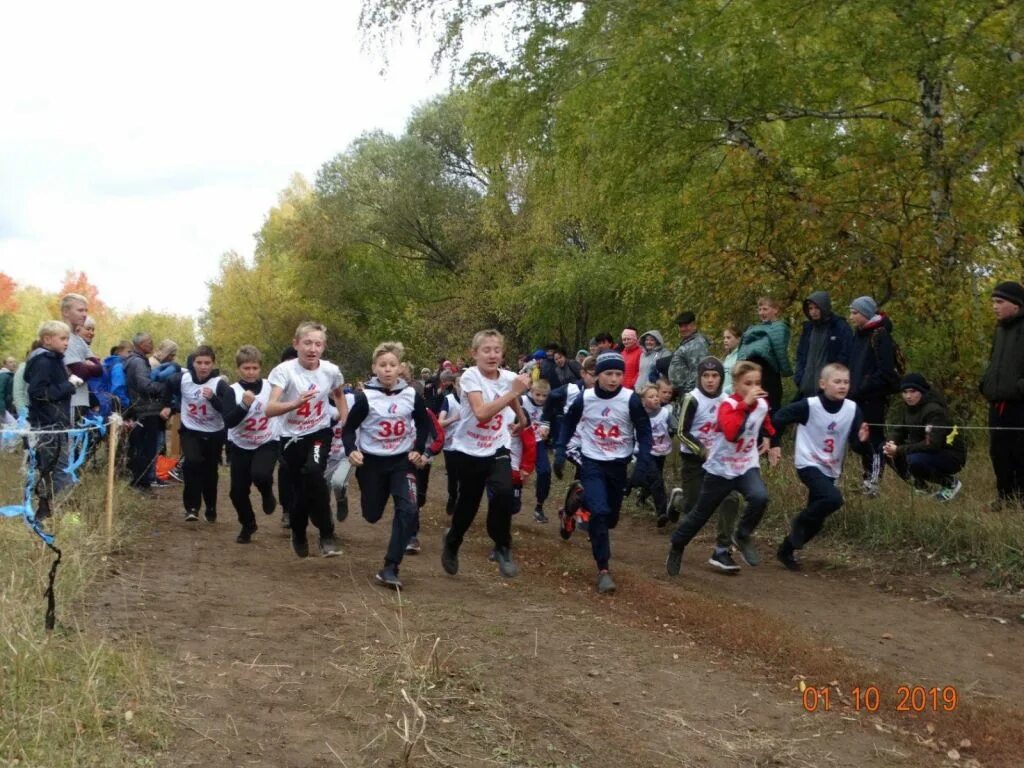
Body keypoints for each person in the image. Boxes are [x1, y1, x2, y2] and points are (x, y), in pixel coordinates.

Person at [666, 361, 778, 577]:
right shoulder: (727, 405)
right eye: (748, 383)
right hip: (719, 467)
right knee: (698, 513)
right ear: (736, 384)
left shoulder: (761, 403)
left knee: (759, 497)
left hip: (745, 465)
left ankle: (740, 536)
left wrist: (772, 440)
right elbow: (731, 433)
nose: (754, 388)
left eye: (757, 383)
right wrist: (745, 404)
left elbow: (767, 422)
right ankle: (677, 545)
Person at [555, 352, 653, 594]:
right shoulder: (584, 399)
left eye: (619, 374)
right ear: (597, 375)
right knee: (599, 513)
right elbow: (568, 423)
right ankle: (603, 570)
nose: (613, 379)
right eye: (608, 374)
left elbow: (644, 431)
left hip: (618, 464)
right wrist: (559, 450)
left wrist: (642, 464)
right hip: (592, 462)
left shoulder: (630, 400)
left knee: (610, 519)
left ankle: (574, 504)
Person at [440, 329, 530, 580]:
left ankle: (502, 547)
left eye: (497, 350)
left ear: (503, 353)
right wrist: (514, 392)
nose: (492, 355)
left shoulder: (509, 377)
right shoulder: (470, 376)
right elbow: (481, 413)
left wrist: (521, 419)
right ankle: (452, 541)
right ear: (474, 353)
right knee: (468, 504)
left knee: (503, 492)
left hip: (497, 446)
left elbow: (511, 397)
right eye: (486, 350)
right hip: (468, 449)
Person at [343, 342, 432, 589]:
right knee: (372, 514)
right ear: (374, 368)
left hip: (402, 462)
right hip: (371, 463)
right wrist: (351, 450)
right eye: (383, 365)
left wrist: (418, 449)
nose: (388, 370)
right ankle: (364, 500)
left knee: (409, 509)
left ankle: (391, 566)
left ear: (400, 368)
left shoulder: (412, 394)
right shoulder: (364, 397)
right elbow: (348, 429)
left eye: (392, 365)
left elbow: (424, 424)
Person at [771, 363, 870, 570]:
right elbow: (778, 418)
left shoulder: (853, 409)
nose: (842, 386)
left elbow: (856, 445)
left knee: (817, 522)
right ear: (823, 384)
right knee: (833, 499)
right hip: (808, 462)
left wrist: (862, 440)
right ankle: (799, 521)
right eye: (837, 381)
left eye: (846, 382)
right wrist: (775, 443)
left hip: (831, 467)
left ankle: (786, 550)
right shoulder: (810, 405)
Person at [266, 322, 347, 558]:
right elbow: (269, 409)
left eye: (318, 344)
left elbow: (339, 395)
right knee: (299, 489)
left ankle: (326, 534)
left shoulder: (331, 371)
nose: (313, 348)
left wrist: (344, 419)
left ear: (324, 347)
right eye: (307, 343)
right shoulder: (284, 371)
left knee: (313, 473)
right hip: (290, 437)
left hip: (318, 433)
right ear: (296, 344)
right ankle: (299, 532)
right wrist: (295, 403)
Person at [665, 357, 742, 571]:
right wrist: (702, 450)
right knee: (694, 508)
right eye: (705, 376)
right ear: (699, 378)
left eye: (715, 376)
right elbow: (681, 431)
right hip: (694, 459)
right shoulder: (692, 399)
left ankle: (722, 551)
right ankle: (678, 500)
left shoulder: (727, 401)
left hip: (719, 461)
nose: (710, 380)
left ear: (721, 378)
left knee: (730, 498)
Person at [165, 346, 234, 523]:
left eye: (207, 363)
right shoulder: (182, 379)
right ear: (193, 363)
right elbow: (167, 386)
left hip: (214, 432)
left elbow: (228, 410)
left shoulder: (220, 384)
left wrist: (213, 398)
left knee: (210, 471)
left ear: (213, 364)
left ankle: (210, 506)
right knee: (192, 463)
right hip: (191, 429)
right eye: (199, 363)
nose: (203, 367)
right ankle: (192, 508)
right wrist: (168, 406)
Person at [223, 346, 280, 543]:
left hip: (267, 439)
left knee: (261, 475)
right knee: (237, 492)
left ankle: (267, 493)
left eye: (254, 368)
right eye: (246, 368)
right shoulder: (232, 391)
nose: (250, 372)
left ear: (260, 368)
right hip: (241, 444)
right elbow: (228, 421)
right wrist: (244, 406)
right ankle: (248, 524)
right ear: (239, 368)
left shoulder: (270, 387)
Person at [25, 321, 82, 519]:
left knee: (52, 467)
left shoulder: (54, 359)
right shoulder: (44, 361)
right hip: (49, 424)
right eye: (63, 338)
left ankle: (49, 509)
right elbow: (37, 393)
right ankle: (64, 513)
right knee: (58, 468)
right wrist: (68, 385)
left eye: (68, 338)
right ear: (47, 339)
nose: (67, 343)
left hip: (55, 422)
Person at [883, 373, 966, 502]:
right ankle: (921, 487)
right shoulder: (909, 408)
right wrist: (891, 443)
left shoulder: (934, 411)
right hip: (925, 452)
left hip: (950, 455)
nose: (908, 396)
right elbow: (899, 429)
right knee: (885, 452)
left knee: (913, 459)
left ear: (922, 391)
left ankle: (950, 483)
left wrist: (899, 449)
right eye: (905, 392)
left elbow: (932, 444)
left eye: (913, 391)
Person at [980, 281, 1024, 509]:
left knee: (1020, 452)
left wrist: (1018, 388)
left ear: (1016, 305)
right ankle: (1005, 497)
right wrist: (985, 384)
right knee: (998, 452)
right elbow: (993, 363)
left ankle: (1020, 500)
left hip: (1019, 404)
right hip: (997, 402)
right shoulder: (999, 330)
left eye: (1000, 302)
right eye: (993, 302)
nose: (994, 307)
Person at [848, 295, 897, 497]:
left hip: (874, 398)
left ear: (866, 313)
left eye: (855, 312)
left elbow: (885, 370)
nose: (851, 317)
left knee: (874, 440)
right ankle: (869, 478)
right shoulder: (858, 335)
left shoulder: (881, 335)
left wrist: (865, 385)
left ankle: (873, 483)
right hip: (856, 397)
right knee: (858, 441)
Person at [123, 333, 170, 490]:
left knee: (142, 448)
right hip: (145, 410)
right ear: (141, 344)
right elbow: (144, 385)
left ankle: (142, 481)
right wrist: (165, 387)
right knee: (146, 448)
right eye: (149, 342)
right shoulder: (138, 362)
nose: (152, 344)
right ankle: (141, 482)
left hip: (140, 408)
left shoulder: (134, 360)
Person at [793, 291, 853, 398]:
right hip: (806, 388)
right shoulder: (808, 328)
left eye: (817, 308)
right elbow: (801, 355)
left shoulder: (839, 327)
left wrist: (834, 379)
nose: (813, 312)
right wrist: (799, 378)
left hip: (828, 390)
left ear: (824, 307)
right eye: (810, 308)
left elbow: (845, 355)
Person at [737, 297, 792, 412]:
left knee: (769, 407)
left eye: (765, 309)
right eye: (760, 309)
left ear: (775, 310)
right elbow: (743, 348)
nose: (761, 313)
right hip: (750, 371)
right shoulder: (753, 328)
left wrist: (786, 370)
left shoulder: (779, 327)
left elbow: (779, 350)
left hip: (769, 373)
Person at [631, 382, 672, 522]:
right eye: (651, 396)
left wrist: (673, 428)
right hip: (645, 451)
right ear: (643, 400)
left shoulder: (666, 413)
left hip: (661, 451)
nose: (655, 399)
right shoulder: (637, 415)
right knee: (656, 479)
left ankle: (640, 495)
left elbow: (674, 426)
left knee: (652, 478)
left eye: (656, 396)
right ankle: (662, 512)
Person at [60, 295, 101, 424]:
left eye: (85, 311)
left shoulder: (79, 340)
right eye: (80, 310)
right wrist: (85, 365)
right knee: (70, 441)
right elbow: (80, 372)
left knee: (78, 442)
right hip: (69, 401)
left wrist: (84, 366)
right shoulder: (63, 338)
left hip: (82, 400)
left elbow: (99, 370)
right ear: (66, 312)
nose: (84, 314)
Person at [520, 378, 552, 523]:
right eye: (537, 394)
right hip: (519, 442)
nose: (541, 398)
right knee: (516, 473)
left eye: (544, 396)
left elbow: (551, 422)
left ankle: (539, 506)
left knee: (545, 471)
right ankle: (513, 497)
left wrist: (548, 431)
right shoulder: (521, 400)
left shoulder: (549, 406)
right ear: (531, 391)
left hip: (537, 443)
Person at [668, 312, 710, 397]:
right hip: (681, 392)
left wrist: (688, 394)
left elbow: (698, 371)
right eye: (680, 326)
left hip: (690, 393)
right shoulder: (688, 342)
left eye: (686, 326)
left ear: (694, 325)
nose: (683, 329)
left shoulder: (697, 344)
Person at [438, 375, 462, 516]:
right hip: (450, 445)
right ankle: (452, 496)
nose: (463, 388)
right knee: (453, 476)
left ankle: (461, 503)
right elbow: (440, 423)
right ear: (455, 386)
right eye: (460, 385)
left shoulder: (474, 401)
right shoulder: (449, 400)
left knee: (465, 476)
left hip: (468, 446)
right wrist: (454, 418)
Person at [721, 323, 741, 394]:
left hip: (733, 397)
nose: (725, 340)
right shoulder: (727, 356)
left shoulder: (741, 356)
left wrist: (723, 391)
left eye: (728, 338)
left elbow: (739, 381)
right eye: (724, 338)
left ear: (738, 339)